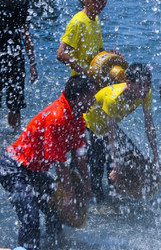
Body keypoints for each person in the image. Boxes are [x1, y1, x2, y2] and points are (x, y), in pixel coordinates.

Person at [0, 75, 96, 250]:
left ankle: (52, 244)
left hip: (33, 169)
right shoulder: (57, 117)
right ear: (79, 97)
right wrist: (69, 195)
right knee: (31, 217)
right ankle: (27, 247)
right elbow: (59, 163)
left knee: (55, 210)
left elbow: (78, 155)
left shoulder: (76, 117)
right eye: (91, 96)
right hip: (13, 167)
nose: (94, 100)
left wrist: (88, 184)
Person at [83, 63, 159, 200]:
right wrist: (116, 167)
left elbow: (149, 126)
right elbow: (111, 136)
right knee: (97, 167)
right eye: (140, 85)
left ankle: (116, 195)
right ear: (128, 83)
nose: (145, 89)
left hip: (108, 128)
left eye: (148, 84)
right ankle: (99, 204)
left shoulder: (146, 94)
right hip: (90, 127)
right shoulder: (113, 99)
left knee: (133, 159)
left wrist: (155, 155)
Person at [0, 0, 37, 132]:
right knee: (14, 105)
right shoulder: (20, 1)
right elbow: (26, 35)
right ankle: (14, 139)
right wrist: (32, 63)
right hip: (13, 57)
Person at [57, 0, 112, 76]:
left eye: (103, 0)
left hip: (92, 77)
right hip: (81, 81)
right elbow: (60, 54)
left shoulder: (96, 19)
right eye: (95, 0)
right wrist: (84, 73)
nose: (99, 4)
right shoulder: (78, 22)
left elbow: (99, 50)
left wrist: (110, 54)